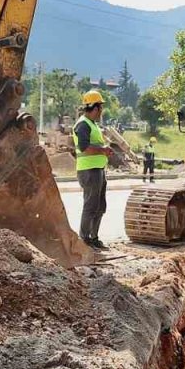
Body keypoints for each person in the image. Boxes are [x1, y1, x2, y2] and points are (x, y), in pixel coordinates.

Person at [73, 90, 114, 250]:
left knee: (100, 206)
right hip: (89, 170)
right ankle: (85, 240)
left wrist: (104, 150)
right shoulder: (83, 124)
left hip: (97, 169)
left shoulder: (91, 124)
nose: (101, 112)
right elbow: (84, 148)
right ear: (95, 108)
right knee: (90, 206)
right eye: (101, 108)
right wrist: (103, 150)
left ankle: (94, 237)